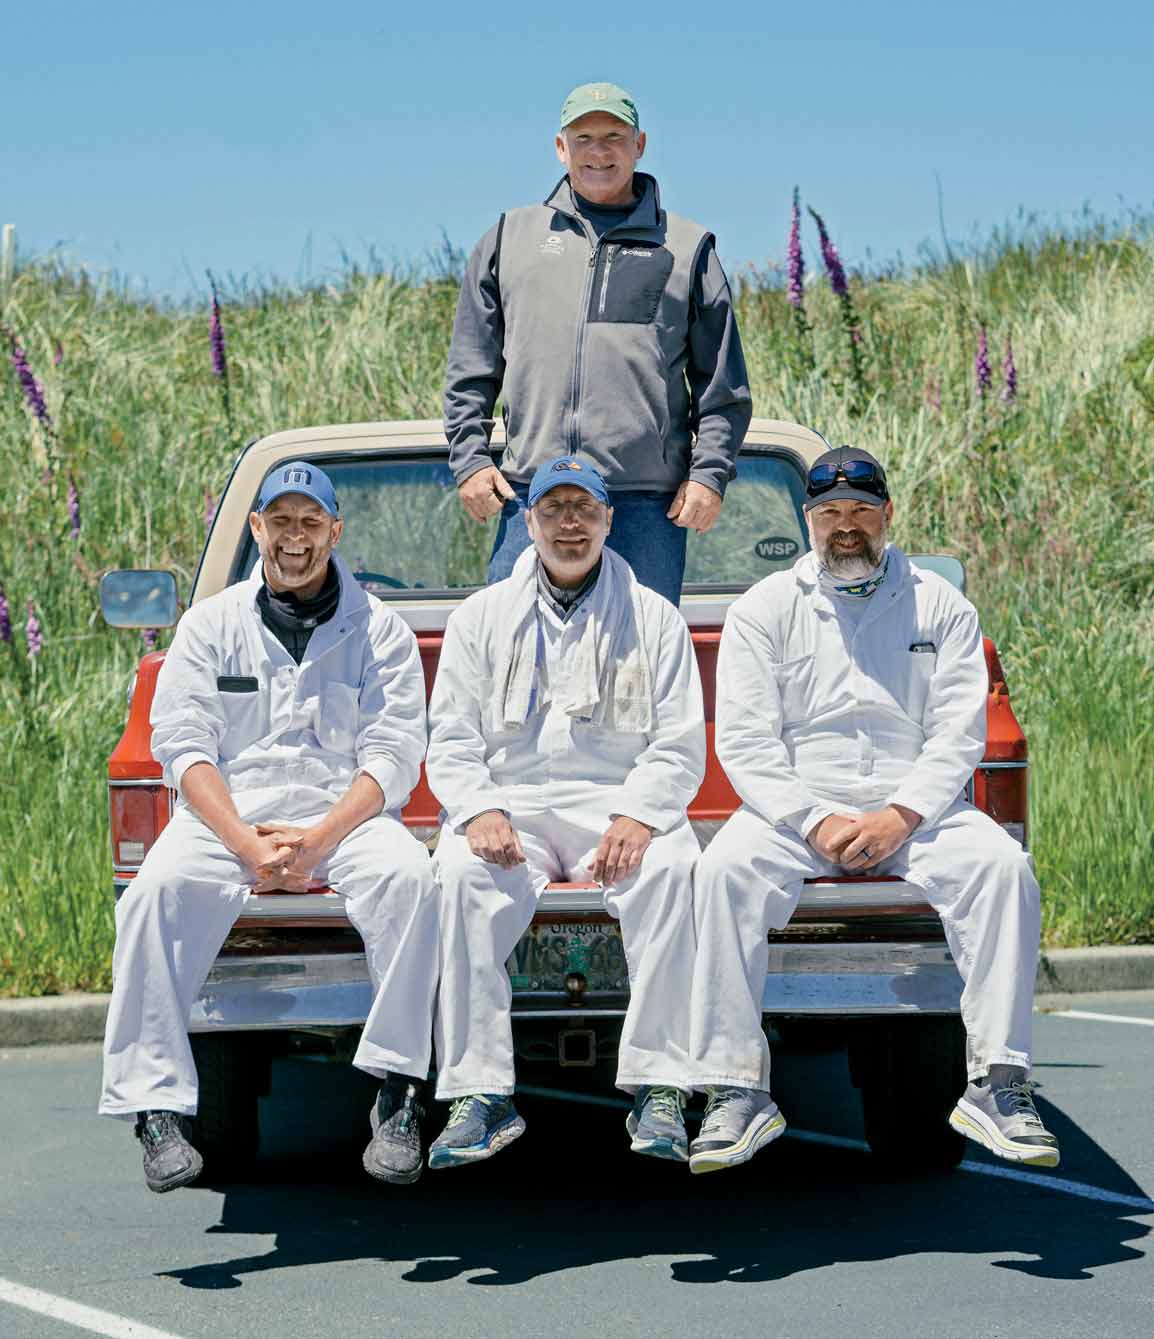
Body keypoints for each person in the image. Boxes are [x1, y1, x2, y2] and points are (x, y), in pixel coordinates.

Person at [686, 446, 1058, 1174]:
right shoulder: (763, 609)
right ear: (809, 520)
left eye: (861, 512)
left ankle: (999, 1082)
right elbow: (745, 741)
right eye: (830, 514)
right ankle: (734, 1089)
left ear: (888, 515)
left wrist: (902, 812)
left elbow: (960, 732)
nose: (846, 527)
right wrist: (813, 820)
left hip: (914, 810)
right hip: (797, 811)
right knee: (723, 871)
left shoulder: (942, 604)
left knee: (1004, 868)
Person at [99, 461, 440, 1191]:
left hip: (344, 815)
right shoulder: (208, 626)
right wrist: (248, 845)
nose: (295, 538)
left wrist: (318, 842)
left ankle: (400, 1093)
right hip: (228, 817)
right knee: (153, 893)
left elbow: (394, 755)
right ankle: (155, 1109)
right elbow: (183, 747)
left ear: (334, 531)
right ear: (256, 529)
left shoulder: (380, 630)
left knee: (412, 878)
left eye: (310, 522)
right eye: (279, 521)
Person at [425, 456, 705, 1166]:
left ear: (610, 520)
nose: (570, 523)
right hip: (511, 808)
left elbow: (678, 745)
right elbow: (451, 739)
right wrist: (479, 808)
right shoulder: (479, 618)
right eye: (553, 509)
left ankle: (661, 1087)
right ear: (529, 524)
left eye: (585, 508)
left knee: (673, 866)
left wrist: (641, 815)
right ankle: (479, 1095)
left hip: (613, 805)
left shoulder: (655, 619)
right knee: (460, 873)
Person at [443, 81, 753, 606]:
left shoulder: (686, 246)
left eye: (614, 135)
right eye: (583, 136)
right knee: (514, 668)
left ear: (640, 144)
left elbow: (722, 386)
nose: (599, 150)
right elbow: (470, 370)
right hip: (529, 495)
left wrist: (709, 476)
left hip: (645, 507)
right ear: (561, 148)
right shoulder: (508, 238)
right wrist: (470, 461)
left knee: (641, 671)